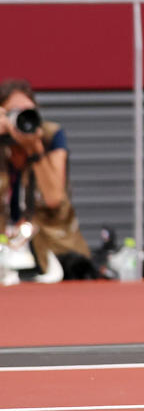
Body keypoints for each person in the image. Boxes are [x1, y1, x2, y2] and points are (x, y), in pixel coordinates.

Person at [0, 79, 92, 275]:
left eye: (28, 111)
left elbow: (53, 198)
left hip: (52, 251)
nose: (22, 118)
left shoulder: (50, 136)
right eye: (14, 112)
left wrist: (34, 149)